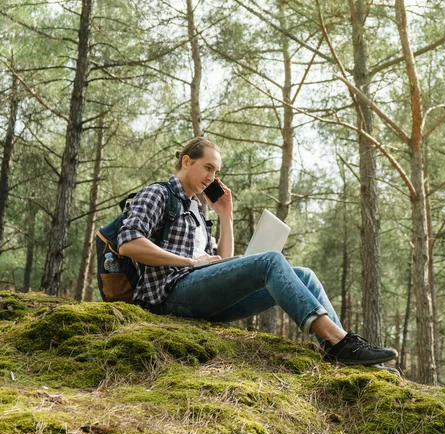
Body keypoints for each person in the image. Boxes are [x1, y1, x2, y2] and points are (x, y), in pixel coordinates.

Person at [117, 137, 397, 366]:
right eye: (207, 168)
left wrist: (225, 216)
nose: (212, 178)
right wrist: (189, 261)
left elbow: (221, 261)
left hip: (198, 296)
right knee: (271, 261)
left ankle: (352, 358)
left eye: (216, 172)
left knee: (305, 276)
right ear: (186, 161)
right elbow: (128, 242)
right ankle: (341, 342)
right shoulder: (158, 194)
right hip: (167, 297)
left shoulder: (198, 209)